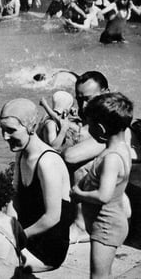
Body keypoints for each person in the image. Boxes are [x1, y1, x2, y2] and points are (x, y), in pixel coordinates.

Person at [0, 98, 73, 272]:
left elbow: (52, 217)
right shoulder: (21, 153)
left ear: (31, 127)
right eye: (2, 130)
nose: (5, 137)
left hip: (47, 247)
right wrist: (8, 229)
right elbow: (14, 198)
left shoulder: (47, 162)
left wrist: (18, 237)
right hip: (28, 235)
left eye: (11, 130)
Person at [71, 93, 133, 279]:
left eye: (90, 125)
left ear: (100, 128)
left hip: (106, 227)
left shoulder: (112, 158)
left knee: (98, 276)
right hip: (108, 222)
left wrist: (78, 193)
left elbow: (103, 196)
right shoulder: (122, 148)